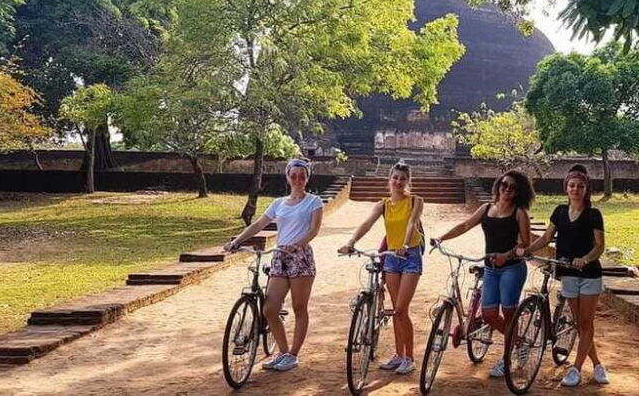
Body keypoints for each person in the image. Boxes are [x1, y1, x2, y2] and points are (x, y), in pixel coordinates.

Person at [224, 158, 323, 372]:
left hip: (300, 256)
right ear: (287, 177)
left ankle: (293, 355)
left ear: (307, 178)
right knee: (269, 309)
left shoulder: (314, 201)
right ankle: (283, 351)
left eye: (302, 176)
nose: (298, 179)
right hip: (279, 257)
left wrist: (297, 245)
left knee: (299, 307)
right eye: (294, 175)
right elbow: (260, 224)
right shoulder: (278, 203)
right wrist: (237, 241)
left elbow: (314, 229)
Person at [433, 170, 534, 378]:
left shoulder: (519, 213)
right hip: (490, 268)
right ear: (498, 185)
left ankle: (506, 359)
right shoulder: (487, 208)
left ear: (518, 192)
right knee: (488, 314)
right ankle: (518, 343)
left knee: (509, 313)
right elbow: (465, 224)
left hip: (512, 268)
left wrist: (507, 255)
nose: (506, 190)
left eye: (512, 187)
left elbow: (526, 243)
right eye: (504, 185)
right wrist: (442, 238)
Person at [517, 169, 609, 387]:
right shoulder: (559, 212)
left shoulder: (593, 214)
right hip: (567, 273)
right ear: (566, 188)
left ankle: (575, 369)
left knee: (586, 322)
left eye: (580, 186)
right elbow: (547, 237)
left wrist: (585, 259)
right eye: (572, 185)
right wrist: (528, 250)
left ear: (586, 189)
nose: (575, 189)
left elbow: (599, 246)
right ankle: (597, 363)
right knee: (580, 324)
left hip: (589, 274)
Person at [338, 162, 424, 375]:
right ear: (390, 179)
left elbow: (412, 223)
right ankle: (398, 354)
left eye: (403, 179)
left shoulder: (416, 201)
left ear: (408, 181)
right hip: (391, 258)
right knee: (395, 310)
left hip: (410, 255)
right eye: (395, 178)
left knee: (402, 309)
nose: (398, 182)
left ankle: (410, 357)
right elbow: (367, 223)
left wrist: (404, 245)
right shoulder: (383, 204)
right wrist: (351, 242)